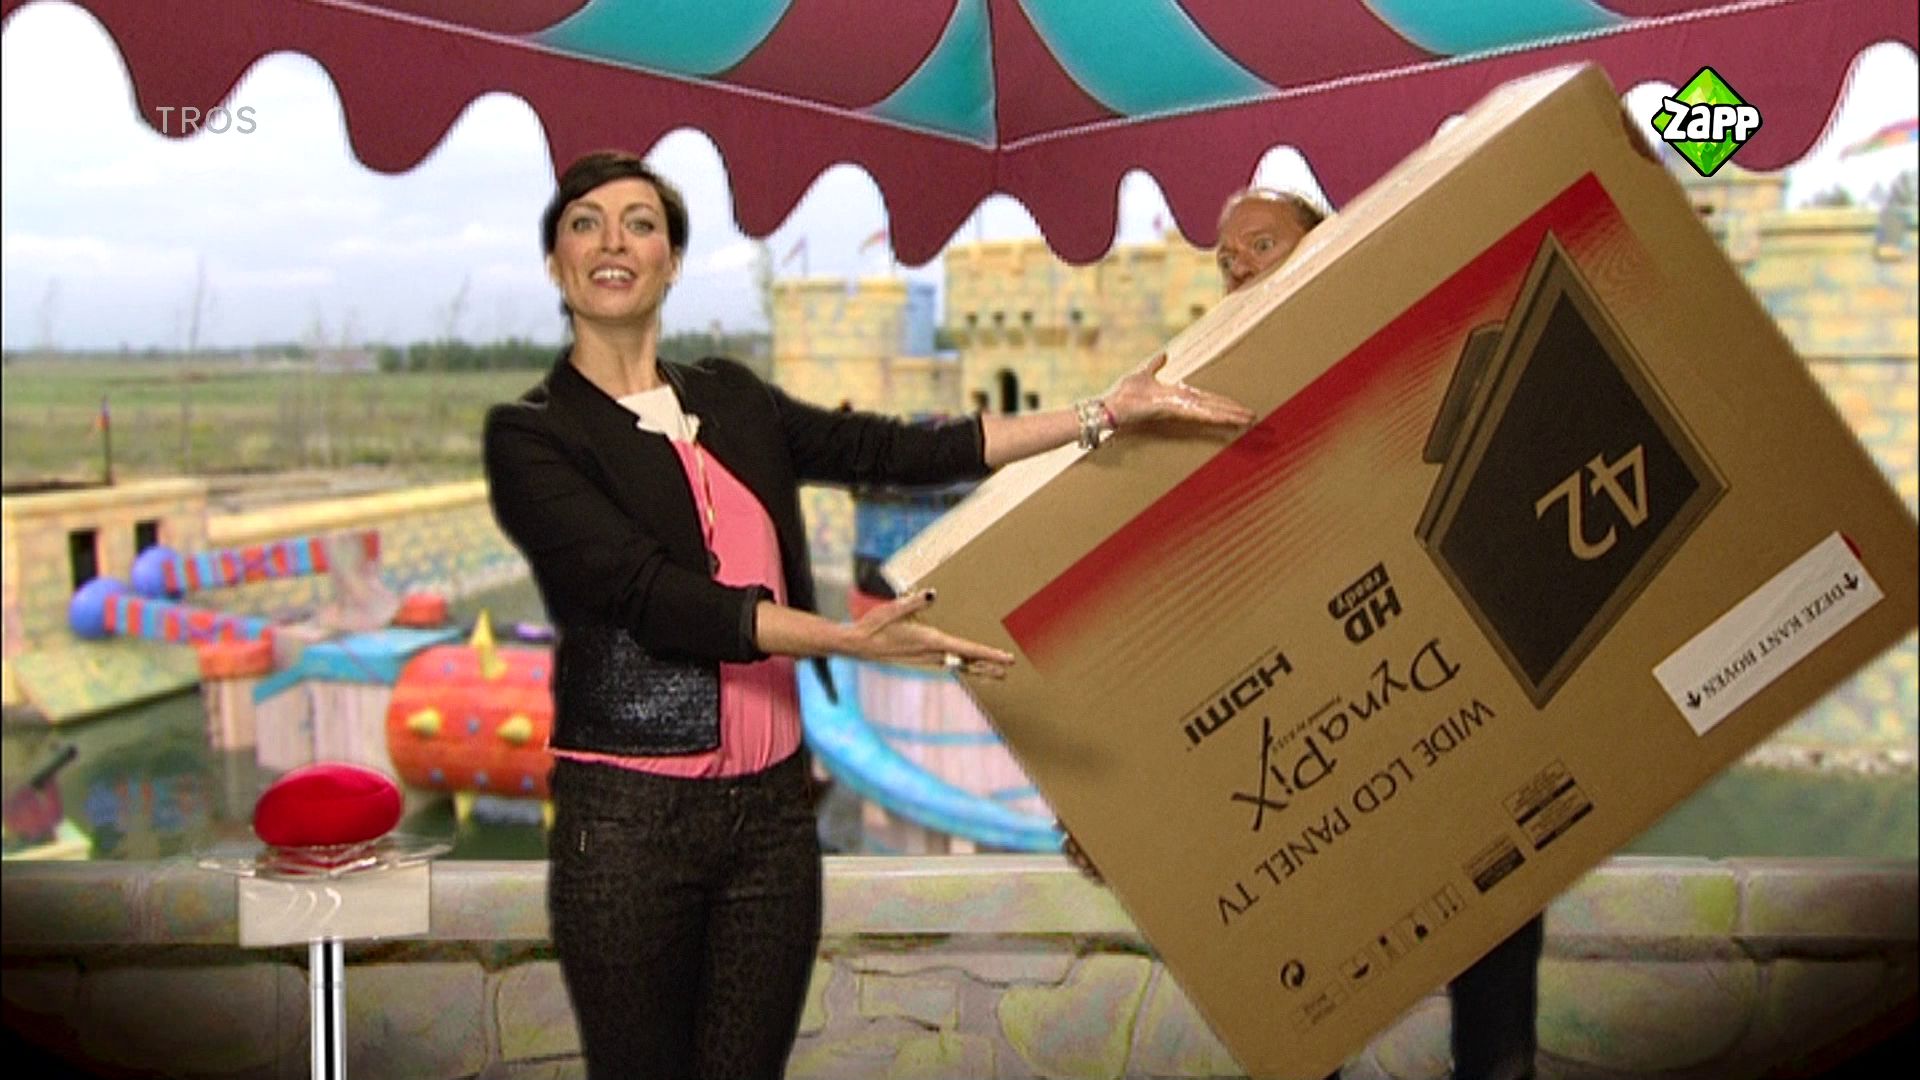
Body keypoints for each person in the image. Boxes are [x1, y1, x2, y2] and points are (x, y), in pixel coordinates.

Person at [483, 149, 1255, 1079]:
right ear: (556, 262)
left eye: (640, 224)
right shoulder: (533, 435)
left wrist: (1103, 415)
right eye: (586, 224)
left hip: (771, 819)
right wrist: (847, 641)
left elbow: (895, 449)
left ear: (672, 260)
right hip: (629, 819)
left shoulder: (729, 396)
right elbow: (649, 596)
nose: (614, 242)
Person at [1066, 186, 1545, 1080]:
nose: (1238, 265)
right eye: (1225, 258)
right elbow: (1163, 626)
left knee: (1497, 1027)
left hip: (1445, 742)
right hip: (1304, 780)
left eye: (1261, 243)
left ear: (1324, 247)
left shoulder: (1410, 366)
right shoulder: (1191, 424)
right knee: (1304, 1036)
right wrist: (1103, 803)